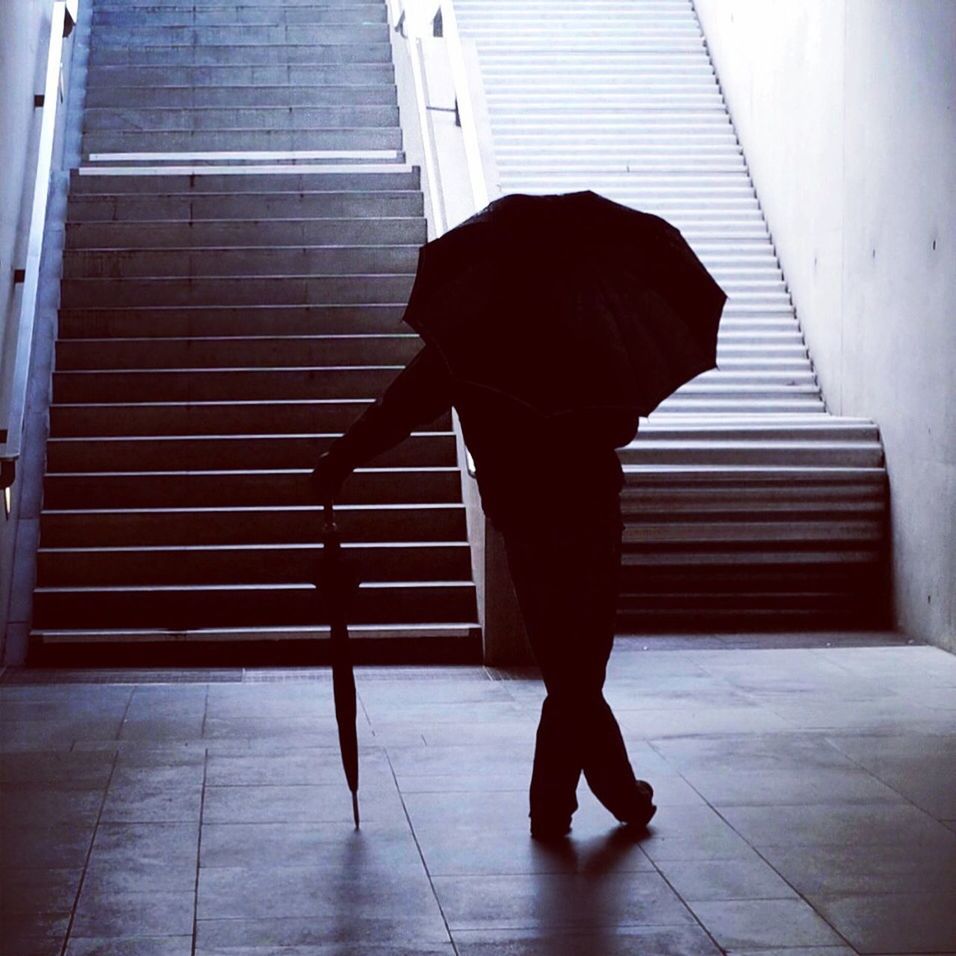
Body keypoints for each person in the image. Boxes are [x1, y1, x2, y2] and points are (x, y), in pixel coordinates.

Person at [311, 343, 657, 840]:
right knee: (579, 670)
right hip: (588, 513)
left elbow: (400, 407)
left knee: (567, 669)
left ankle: (571, 801)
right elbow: (622, 426)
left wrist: (340, 460)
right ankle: (586, 799)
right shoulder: (579, 330)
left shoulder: (467, 342)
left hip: (526, 519)